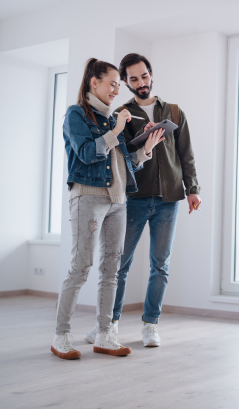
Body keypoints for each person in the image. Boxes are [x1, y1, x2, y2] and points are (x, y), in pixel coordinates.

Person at [51, 58, 166, 360]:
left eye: (119, 84)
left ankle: (105, 334)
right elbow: (88, 153)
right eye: (113, 83)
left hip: (118, 200)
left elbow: (123, 164)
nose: (118, 89)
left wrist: (146, 150)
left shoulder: (110, 119)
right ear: (94, 83)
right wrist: (117, 128)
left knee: (111, 269)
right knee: (81, 267)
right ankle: (61, 335)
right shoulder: (76, 115)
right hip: (88, 197)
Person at [84, 53, 201, 347]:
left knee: (160, 265)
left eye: (144, 76)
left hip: (168, 199)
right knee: (119, 264)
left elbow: (185, 154)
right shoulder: (120, 114)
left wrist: (193, 189)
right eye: (133, 79)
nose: (141, 83)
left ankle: (151, 325)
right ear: (125, 82)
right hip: (133, 199)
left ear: (151, 75)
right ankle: (107, 325)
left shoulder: (174, 112)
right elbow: (118, 156)